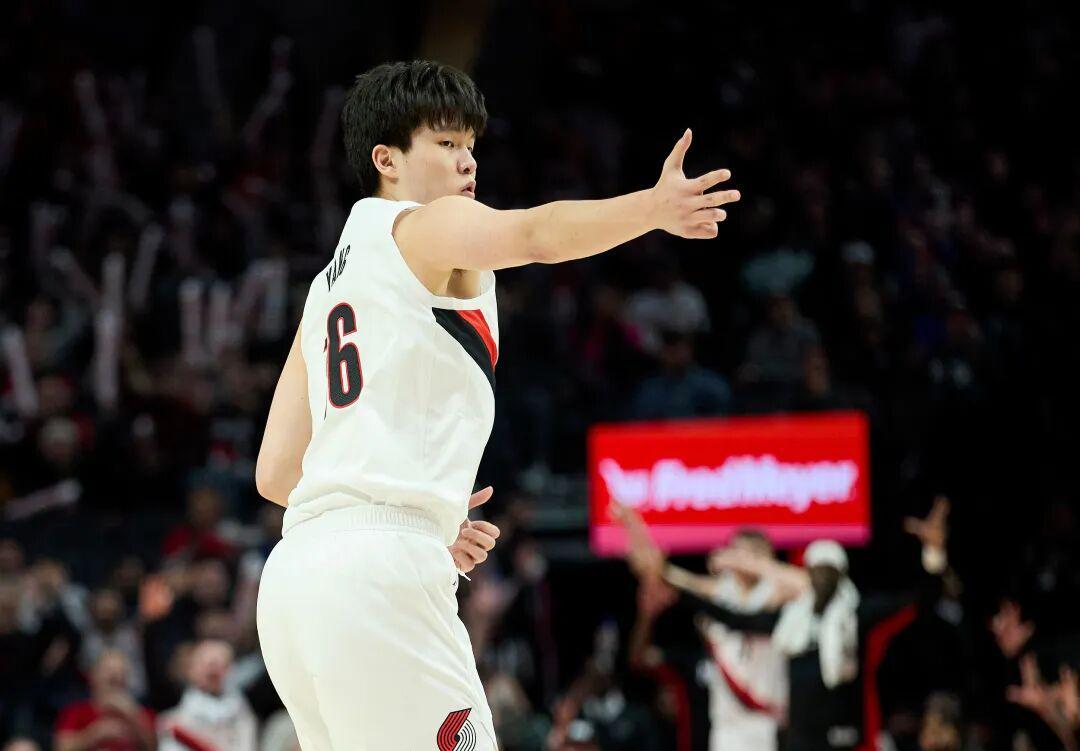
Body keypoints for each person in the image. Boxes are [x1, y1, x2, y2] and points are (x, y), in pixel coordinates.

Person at [254, 60, 740, 749]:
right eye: (445, 142)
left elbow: (276, 474)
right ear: (386, 159)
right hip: (376, 576)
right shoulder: (425, 225)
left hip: (294, 583)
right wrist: (651, 210)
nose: (467, 160)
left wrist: (413, 513)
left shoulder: (324, 289)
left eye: (471, 144)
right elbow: (536, 234)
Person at [621, 498, 951, 751]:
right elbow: (726, 612)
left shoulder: (848, 611)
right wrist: (664, 571)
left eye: (829, 571)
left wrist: (934, 553)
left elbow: (920, 599)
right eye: (816, 570)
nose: (821, 578)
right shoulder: (782, 617)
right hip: (778, 738)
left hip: (837, 736)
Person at [53, 649, 157, 751]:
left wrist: (133, 715)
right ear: (93, 675)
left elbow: (154, 746)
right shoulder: (75, 711)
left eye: (121, 672)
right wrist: (93, 734)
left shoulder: (142, 714)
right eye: (108, 671)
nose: (115, 676)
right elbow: (61, 747)